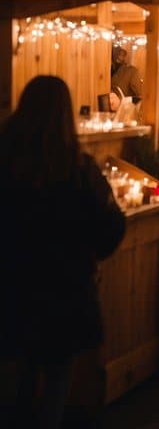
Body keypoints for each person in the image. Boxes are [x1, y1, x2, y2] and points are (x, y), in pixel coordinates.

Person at [1, 76, 126, 428]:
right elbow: (111, 226)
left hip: (11, 287)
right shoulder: (77, 168)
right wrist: (89, 254)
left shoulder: (6, 162)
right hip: (64, 288)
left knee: (16, 379)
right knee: (56, 379)